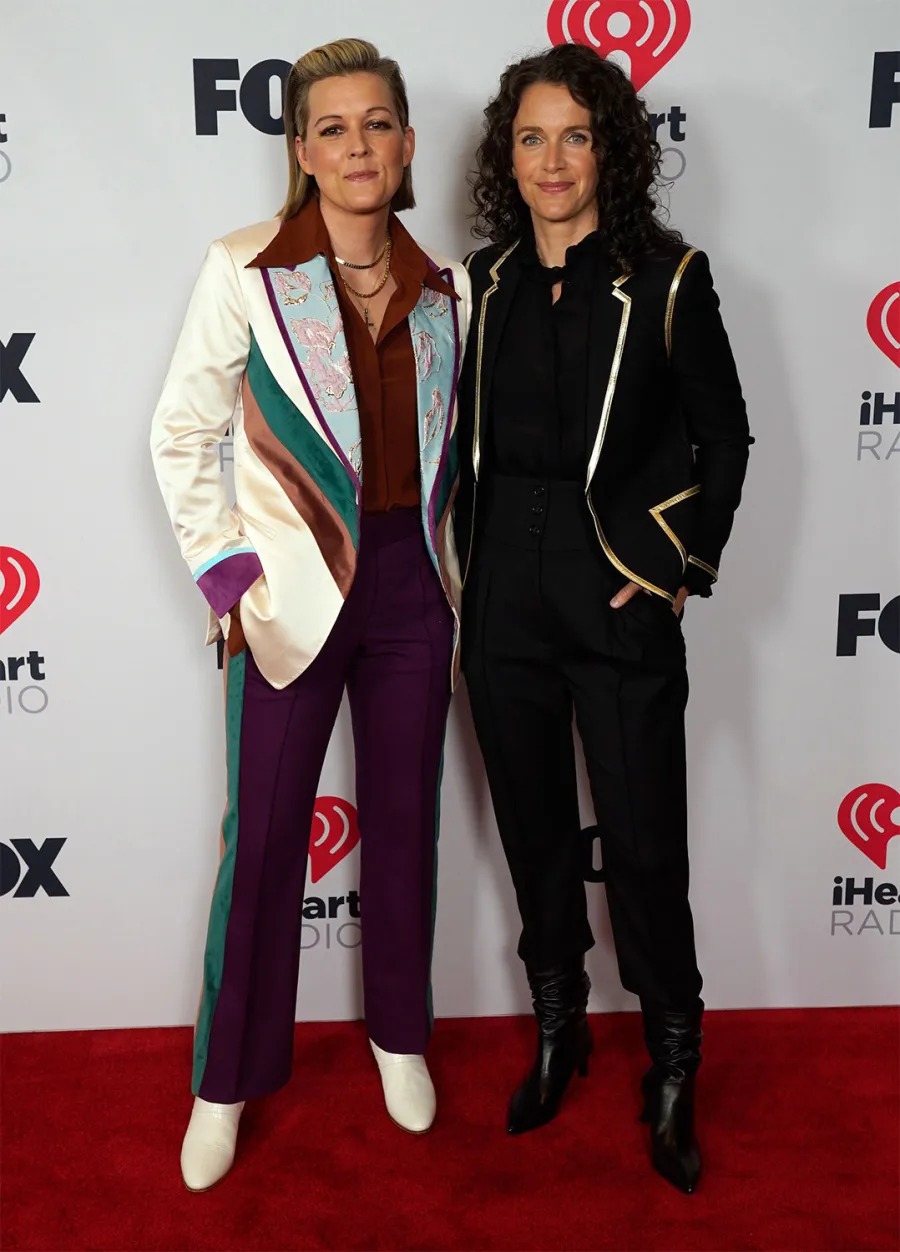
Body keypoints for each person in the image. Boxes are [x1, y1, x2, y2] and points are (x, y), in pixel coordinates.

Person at [151, 37, 471, 1192]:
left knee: (406, 824)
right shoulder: (245, 267)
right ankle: (224, 1083)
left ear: (408, 141)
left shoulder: (450, 288)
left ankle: (399, 1035)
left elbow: (460, 463)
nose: (357, 146)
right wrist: (230, 581)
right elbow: (180, 433)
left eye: (377, 123)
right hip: (290, 597)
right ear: (301, 152)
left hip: (409, 593)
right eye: (332, 128)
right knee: (268, 838)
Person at [455, 44, 752, 1193]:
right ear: (507, 156)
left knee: (641, 845)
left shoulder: (668, 277)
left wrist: (677, 563)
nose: (552, 160)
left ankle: (673, 1063)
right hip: (502, 605)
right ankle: (559, 1024)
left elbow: (724, 437)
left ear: (610, 149)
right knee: (533, 831)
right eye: (531, 138)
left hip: (615, 593)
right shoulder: (482, 283)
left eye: (575, 135)